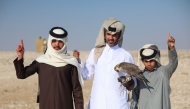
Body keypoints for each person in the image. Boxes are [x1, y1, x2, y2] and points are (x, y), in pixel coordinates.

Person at [13, 27, 84, 109]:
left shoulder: (71, 63)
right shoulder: (41, 61)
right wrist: (20, 56)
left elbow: (77, 91)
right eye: (54, 41)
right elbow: (21, 74)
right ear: (50, 41)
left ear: (65, 42)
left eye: (60, 41)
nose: (57, 44)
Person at [77, 17, 137, 109]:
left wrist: (130, 83)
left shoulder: (126, 55)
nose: (111, 38)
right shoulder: (95, 52)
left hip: (118, 105)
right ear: (104, 35)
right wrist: (77, 61)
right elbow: (86, 75)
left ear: (119, 35)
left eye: (114, 35)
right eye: (108, 34)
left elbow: (134, 82)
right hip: (97, 104)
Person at [130, 32, 178, 109]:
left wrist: (171, 48)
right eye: (146, 61)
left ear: (156, 59)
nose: (149, 64)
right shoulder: (139, 76)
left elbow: (173, 63)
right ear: (142, 61)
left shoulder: (164, 72)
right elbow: (134, 98)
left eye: (151, 61)